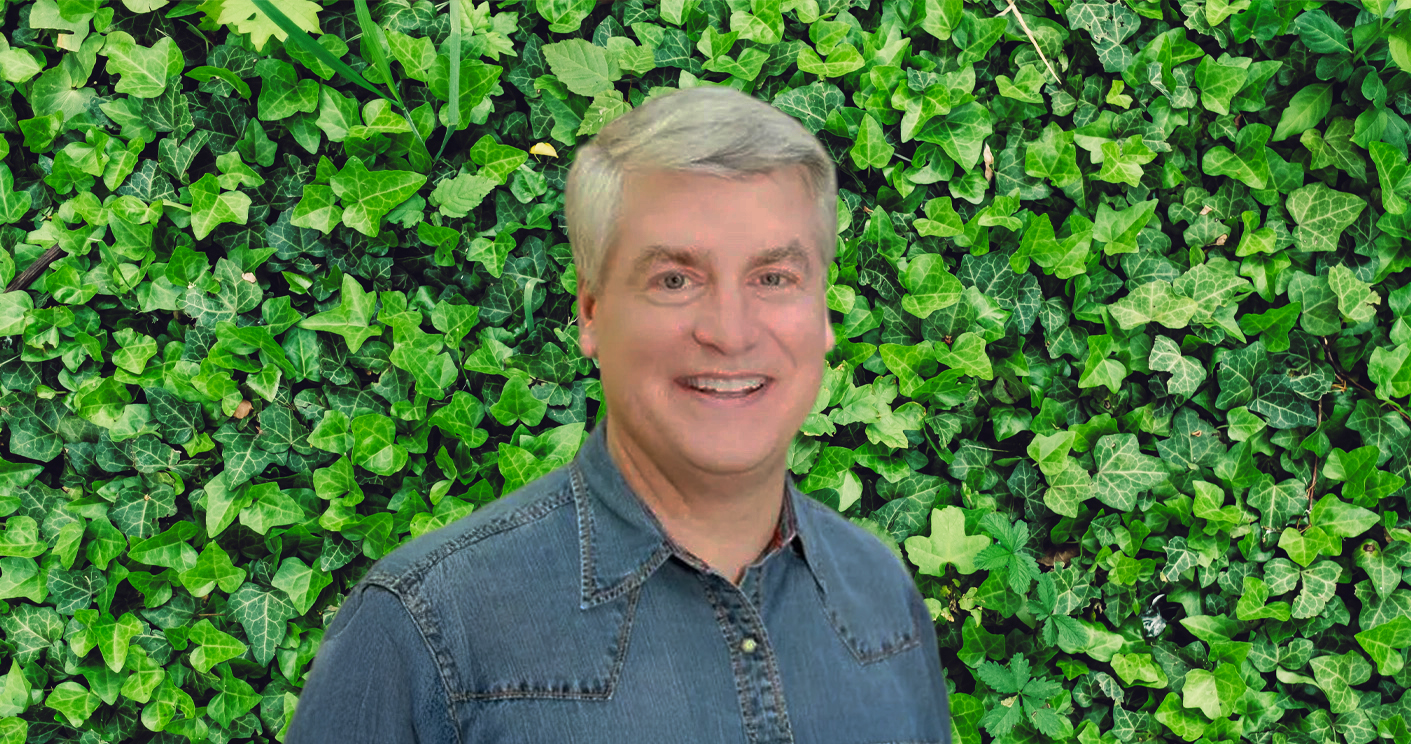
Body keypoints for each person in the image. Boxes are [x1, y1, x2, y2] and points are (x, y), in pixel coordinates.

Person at [284, 85, 953, 744]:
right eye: (674, 280)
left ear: (823, 314)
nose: (730, 331)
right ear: (591, 314)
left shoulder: (881, 596)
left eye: (773, 278)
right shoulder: (424, 630)